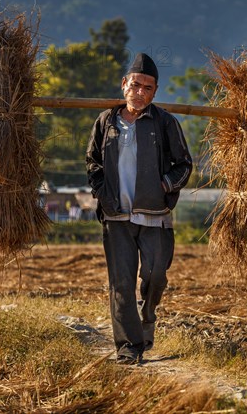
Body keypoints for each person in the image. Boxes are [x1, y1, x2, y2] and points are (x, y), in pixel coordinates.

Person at [86, 53, 193, 364]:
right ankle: (129, 348)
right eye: (136, 85)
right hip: (116, 215)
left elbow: (184, 165)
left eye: (148, 88)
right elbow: (92, 162)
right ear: (124, 85)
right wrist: (102, 193)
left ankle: (148, 314)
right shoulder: (106, 121)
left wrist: (164, 185)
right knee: (121, 282)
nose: (141, 92)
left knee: (155, 275)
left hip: (155, 216)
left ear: (155, 92)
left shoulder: (165, 123)